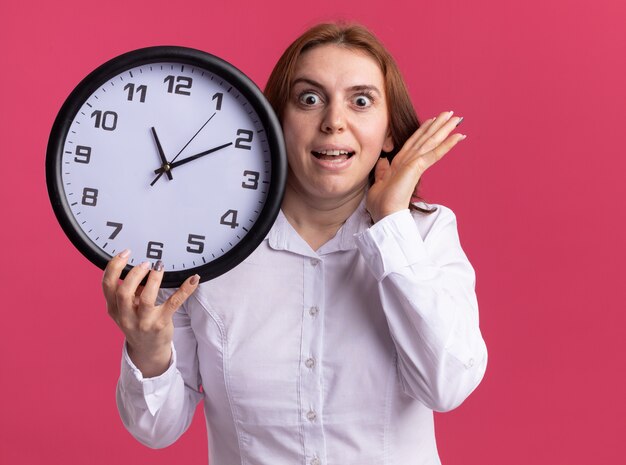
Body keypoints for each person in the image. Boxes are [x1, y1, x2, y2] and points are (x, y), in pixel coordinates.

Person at [103, 22, 488, 465]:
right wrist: (148, 350)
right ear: (274, 122)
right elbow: (156, 429)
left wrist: (390, 225)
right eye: (309, 99)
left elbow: (447, 386)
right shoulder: (205, 247)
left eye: (360, 101)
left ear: (387, 133)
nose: (333, 122)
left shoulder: (425, 233)